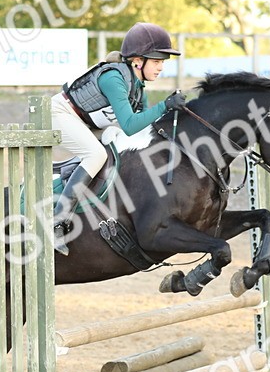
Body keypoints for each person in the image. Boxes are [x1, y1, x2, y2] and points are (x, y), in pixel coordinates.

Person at [50, 22, 187, 254]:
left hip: (86, 122)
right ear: (138, 61)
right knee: (95, 155)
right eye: (157, 61)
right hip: (60, 114)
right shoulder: (113, 78)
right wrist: (165, 105)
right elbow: (131, 125)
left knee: (116, 145)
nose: (161, 67)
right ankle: (58, 220)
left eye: (163, 62)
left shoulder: (137, 86)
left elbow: (143, 127)